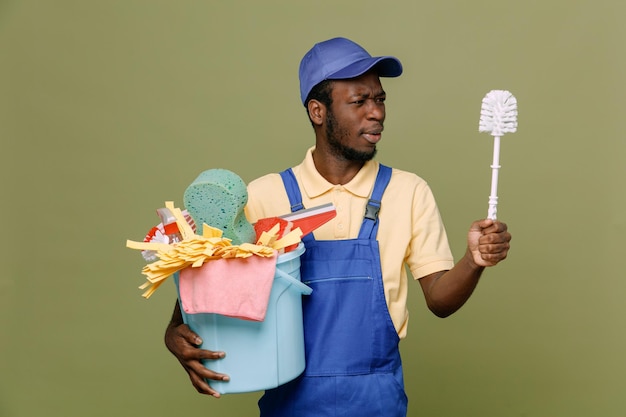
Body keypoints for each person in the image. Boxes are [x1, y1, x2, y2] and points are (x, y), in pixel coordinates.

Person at [164, 37, 511, 416]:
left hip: (378, 401)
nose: (376, 112)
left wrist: (473, 260)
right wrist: (174, 332)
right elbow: (209, 290)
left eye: (379, 99)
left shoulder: (408, 191)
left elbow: (440, 301)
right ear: (318, 111)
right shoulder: (264, 196)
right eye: (359, 101)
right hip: (289, 403)